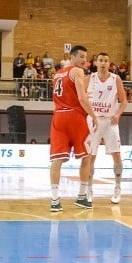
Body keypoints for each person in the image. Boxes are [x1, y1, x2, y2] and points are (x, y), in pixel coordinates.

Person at [49, 45, 98, 212]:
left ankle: (55, 200)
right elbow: (82, 99)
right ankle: (82, 196)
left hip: (58, 116)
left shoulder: (57, 74)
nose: (85, 60)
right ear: (73, 57)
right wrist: (94, 116)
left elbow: (61, 96)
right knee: (87, 156)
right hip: (75, 117)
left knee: (57, 160)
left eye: (86, 57)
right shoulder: (77, 72)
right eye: (82, 57)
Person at [85, 52, 128, 204]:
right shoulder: (89, 78)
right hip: (93, 120)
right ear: (96, 63)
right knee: (90, 157)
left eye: (106, 61)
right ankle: (89, 189)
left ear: (109, 64)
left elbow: (124, 101)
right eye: (100, 60)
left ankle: (117, 187)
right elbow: (81, 98)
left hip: (110, 121)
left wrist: (118, 114)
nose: (103, 63)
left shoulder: (116, 79)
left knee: (116, 155)